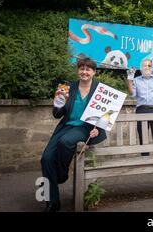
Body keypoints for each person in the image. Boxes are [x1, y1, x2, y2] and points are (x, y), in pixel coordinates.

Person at [41, 57, 106, 212]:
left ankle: (61, 175)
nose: (84, 72)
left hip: (85, 128)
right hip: (66, 126)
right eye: (81, 69)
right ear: (78, 70)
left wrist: (99, 129)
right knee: (46, 158)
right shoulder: (68, 87)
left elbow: (106, 114)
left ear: (94, 72)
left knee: (65, 142)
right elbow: (58, 114)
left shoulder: (100, 90)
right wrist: (58, 104)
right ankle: (52, 203)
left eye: (88, 69)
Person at [127, 59, 153, 156]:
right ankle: (145, 161)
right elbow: (132, 94)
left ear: (152, 67)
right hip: (142, 109)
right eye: (145, 65)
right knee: (143, 136)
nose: (147, 67)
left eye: (149, 65)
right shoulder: (136, 80)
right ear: (141, 68)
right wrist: (129, 80)